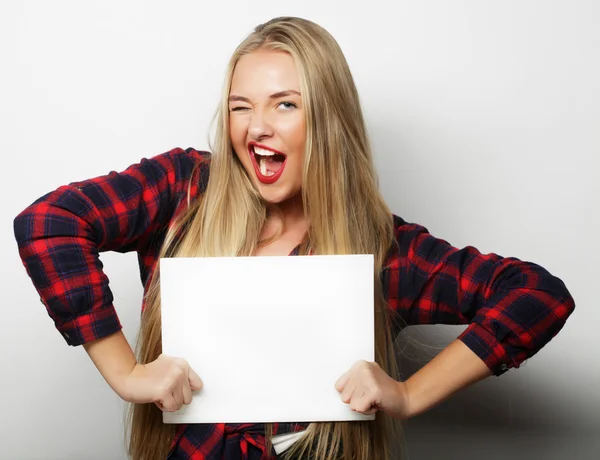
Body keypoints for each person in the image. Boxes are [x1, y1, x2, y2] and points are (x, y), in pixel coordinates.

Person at [13, 16, 575, 460]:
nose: (257, 127)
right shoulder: (182, 191)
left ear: (327, 119)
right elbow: (49, 223)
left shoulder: (384, 250)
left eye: (285, 104)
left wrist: (407, 396)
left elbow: (538, 296)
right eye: (241, 107)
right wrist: (126, 374)